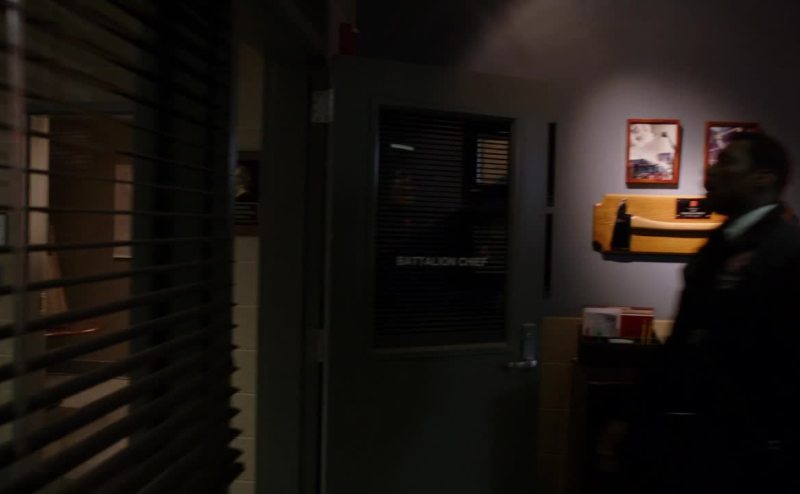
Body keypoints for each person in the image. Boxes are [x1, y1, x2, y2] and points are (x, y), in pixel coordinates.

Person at [628, 132, 800, 493]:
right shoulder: (719, 245)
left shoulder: (786, 250)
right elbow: (683, 339)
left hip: (759, 454)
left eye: (727, 162)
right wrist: (631, 416)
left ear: (763, 179)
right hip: (707, 444)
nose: (711, 170)